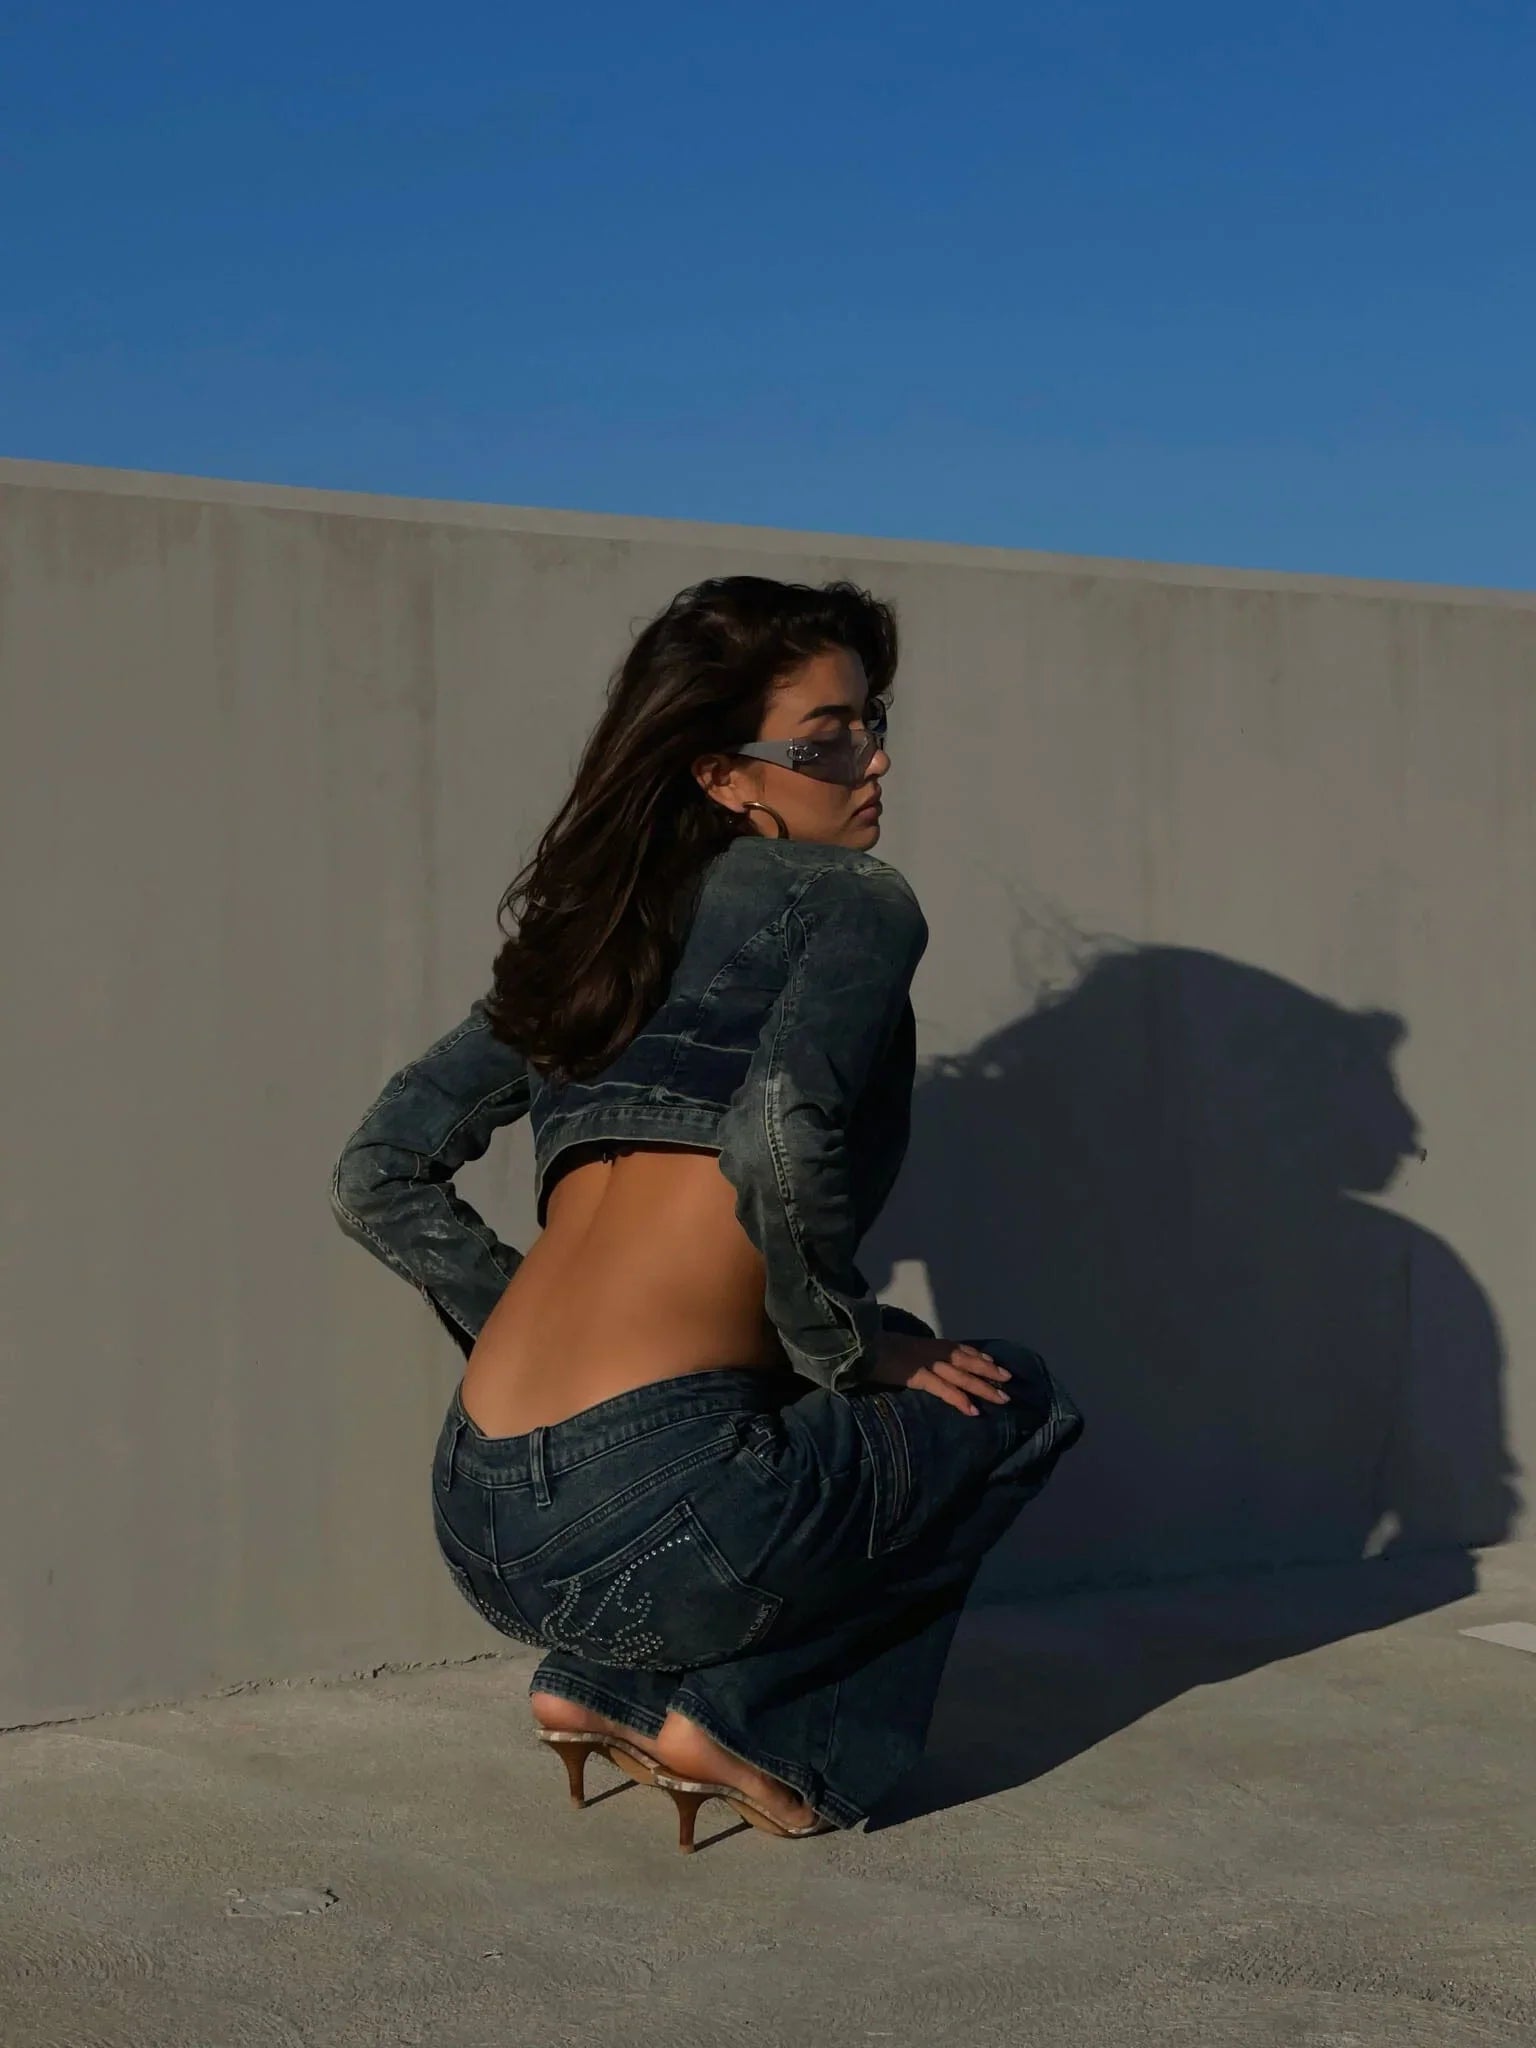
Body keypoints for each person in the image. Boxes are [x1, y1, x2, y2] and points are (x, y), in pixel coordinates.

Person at [329, 574, 1084, 1849]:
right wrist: (852, 1344)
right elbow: (779, 1129)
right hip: (666, 1511)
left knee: (852, 1367)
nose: (872, 758)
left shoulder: (591, 939)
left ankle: (606, 1684)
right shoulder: (854, 901)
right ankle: (764, 1730)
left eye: (873, 721)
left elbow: (376, 1171)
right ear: (725, 776)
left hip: (477, 1502)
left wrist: (518, 1318)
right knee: (1011, 1397)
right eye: (826, 741)